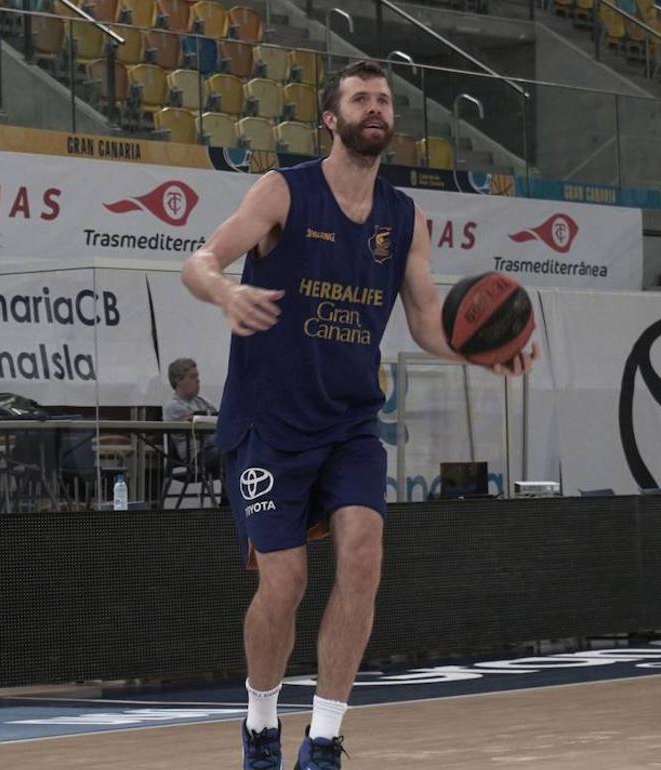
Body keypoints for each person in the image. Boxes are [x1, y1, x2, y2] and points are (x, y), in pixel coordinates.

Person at [181, 60, 537, 770]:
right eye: (360, 99)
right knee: (283, 584)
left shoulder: (404, 217)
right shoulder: (284, 191)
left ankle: (323, 738)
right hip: (269, 424)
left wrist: (479, 354)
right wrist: (222, 291)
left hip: (348, 423)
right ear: (332, 120)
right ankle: (259, 723)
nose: (375, 107)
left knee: (365, 560)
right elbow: (200, 261)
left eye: (384, 99)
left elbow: (429, 321)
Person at [163, 357, 223, 481]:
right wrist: (208, 417)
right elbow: (209, 421)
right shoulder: (173, 407)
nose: (198, 380)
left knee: (237, 451)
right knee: (229, 455)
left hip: (212, 448)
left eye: (197, 376)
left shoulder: (202, 401)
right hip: (196, 456)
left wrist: (202, 417)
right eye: (192, 377)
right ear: (178, 380)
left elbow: (218, 418)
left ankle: (229, 499)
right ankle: (226, 500)